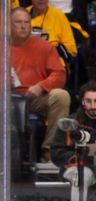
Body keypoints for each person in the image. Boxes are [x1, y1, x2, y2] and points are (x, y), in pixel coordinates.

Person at [10, 7, 70, 163]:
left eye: (26, 22)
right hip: (6, 98)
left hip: (35, 97)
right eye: (18, 22)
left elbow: (60, 74)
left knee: (61, 96)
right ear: (9, 25)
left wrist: (41, 86)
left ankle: (50, 150)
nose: (23, 26)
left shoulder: (45, 47)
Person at [27, 0, 77, 66]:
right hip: (28, 65)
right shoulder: (23, 15)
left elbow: (71, 50)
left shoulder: (59, 16)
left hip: (54, 65)